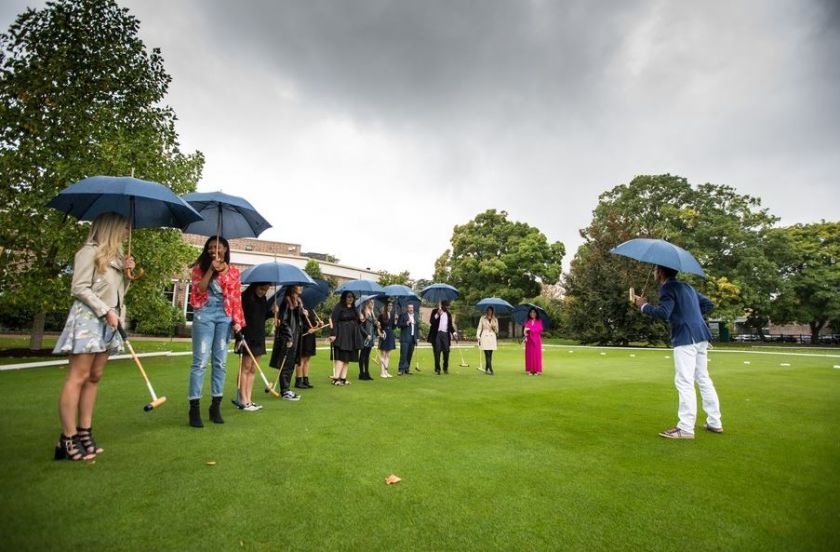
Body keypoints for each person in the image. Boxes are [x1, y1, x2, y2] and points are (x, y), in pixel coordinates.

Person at [53, 213, 134, 460]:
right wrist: (104, 310)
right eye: (124, 228)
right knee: (78, 376)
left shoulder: (118, 258)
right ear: (111, 228)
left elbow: (116, 293)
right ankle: (67, 438)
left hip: (111, 321)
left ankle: (84, 431)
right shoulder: (88, 252)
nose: (127, 233)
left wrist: (128, 276)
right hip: (89, 319)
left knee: (95, 377)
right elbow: (79, 287)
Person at [635, 265, 723, 439]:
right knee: (703, 378)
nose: (654, 273)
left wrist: (643, 306)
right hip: (701, 335)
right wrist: (692, 315)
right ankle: (715, 422)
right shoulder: (687, 286)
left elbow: (663, 313)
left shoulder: (667, 287)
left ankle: (686, 428)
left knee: (684, 381)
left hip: (685, 337)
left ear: (660, 272)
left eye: (655, 271)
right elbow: (708, 304)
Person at [187, 236, 244, 427]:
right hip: (204, 313)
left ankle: (215, 406)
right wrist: (211, 269)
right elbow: (200, 290)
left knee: (220, 362)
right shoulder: (200, 268)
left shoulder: (234, 272)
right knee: (200, 362)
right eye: (210, 247)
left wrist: (237, 322)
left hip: (224, 316)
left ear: (225, 249)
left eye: (218, 247)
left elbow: (236, 298)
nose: (214, 250)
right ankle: (194, 409)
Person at [235, 282, 272, 411]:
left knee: (253, 369)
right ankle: (243, 400)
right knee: (245, 368)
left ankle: (249, 400)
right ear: (255, 286)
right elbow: (238, 317)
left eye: (266, 290)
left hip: (259, 336)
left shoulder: (263, 299)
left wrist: (272, 312)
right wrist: (239, 336)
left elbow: (262, 316)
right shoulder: (244, 297)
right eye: (262, 289)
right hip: (246, 336)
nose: (263, 292)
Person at [268, 285, 304, 401]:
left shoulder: (297, 302)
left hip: (295, 336)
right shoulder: (287, 301)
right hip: (288, 337)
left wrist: (303, 313)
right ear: (293, 288)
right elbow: (283, 321)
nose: (301, 288)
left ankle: (286, 388)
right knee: (286, 363)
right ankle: (285, 390)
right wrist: (289, 337)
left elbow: (297, 321)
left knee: (291, 363)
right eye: (299, 286)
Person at [330, 290, 362, 385]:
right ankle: (336, 379)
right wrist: (333, 334)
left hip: (352, 335)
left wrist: (360, 318)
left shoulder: (354, 308)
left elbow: (358, 322)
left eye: (352, 297)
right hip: (342, 334)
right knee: (341, 356)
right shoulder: (339, 307)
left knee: (347, 357)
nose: (350, 299)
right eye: (348, 297)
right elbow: (334, 321)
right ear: (344, 298)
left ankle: (343, 378)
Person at [294, 306, 319, 390]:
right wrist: (307, 329)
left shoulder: (311, 309)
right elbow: (298, 323)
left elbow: (313, 325)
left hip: (310, 338)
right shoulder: (299, 308)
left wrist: (318, 324)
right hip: (303, 337)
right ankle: (298, 381)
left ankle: (306, 380)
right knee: (301, 359)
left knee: (307, 359)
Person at [428, 300, 456, 375]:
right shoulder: (435, 311)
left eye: (448, 306)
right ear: (442, 305)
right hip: (437, 334)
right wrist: (437, 314)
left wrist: (454, 333)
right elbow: (431, 321)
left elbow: (450, 325)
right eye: (446, 306)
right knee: (437, 351)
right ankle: (437, 368)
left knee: (446, 351)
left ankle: (445, 368)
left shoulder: (448, 314)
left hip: (445, 334)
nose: (447, 308)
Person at [357, 298, 376, 381]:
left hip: (371, 336)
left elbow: (373, 324)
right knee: (363, 355)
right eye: (371, 302)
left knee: (367, 355)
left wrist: (377, 323)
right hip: (365, 337)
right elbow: (360, 326)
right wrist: (366, 334)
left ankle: (367, 373)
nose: (373, 304)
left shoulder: (372, 312)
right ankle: (361, 373)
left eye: (373, 302)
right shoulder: (362, 312)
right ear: (367, 303)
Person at [477, 306, 499, 375]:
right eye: (488, 310)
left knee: (490, 354)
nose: (489, 312)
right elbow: (479, 328)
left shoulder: (495, 319)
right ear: (486, 311)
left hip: (492, 337)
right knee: (487, 354)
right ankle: (491, 370)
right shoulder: (482, 318)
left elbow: (497, 331)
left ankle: (486, 369)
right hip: (484, 337)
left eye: (490, 310)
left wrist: (494, 327)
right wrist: (478, 335)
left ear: (492, 311)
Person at [397, 303, 418, 375]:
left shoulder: (415, 316)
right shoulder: (403, 315)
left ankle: (407, 368)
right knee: (403, 354)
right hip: (405, 338)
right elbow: (399, 325)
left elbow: (416, 328)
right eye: (410, 308)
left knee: (409, 354)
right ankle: (401, 369)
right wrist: (407, 323)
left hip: (412, 338)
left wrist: (417, 338)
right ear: (407, 309)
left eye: (412, 307)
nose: (411, 309)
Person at [377, 302, 396, 378]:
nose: (390, 306)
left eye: (391, 305)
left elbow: (394, 327)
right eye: (389, 305)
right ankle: (382, 372)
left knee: (388, 355)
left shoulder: (392, 315)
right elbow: (378, 327)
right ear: (386, 306)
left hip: (390, 334)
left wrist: (395, 321)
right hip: (384, 334)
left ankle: (386, 371)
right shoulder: (381, 315)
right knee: (383, 354)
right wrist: (380, 334)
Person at [523, 308, 543, 375]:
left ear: (536, 313)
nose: (532, 314)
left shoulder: (539, 321)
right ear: (529, 313)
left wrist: (530, 329)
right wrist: (525, 334)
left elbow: (539, 330)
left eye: (534, 312)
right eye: (531, 312)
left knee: (536, 354)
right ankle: (529, 370)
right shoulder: (527, 321)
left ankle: (537, 370)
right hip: (529, 341)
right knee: (529, 355)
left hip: (536, 340)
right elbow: (525, 331)